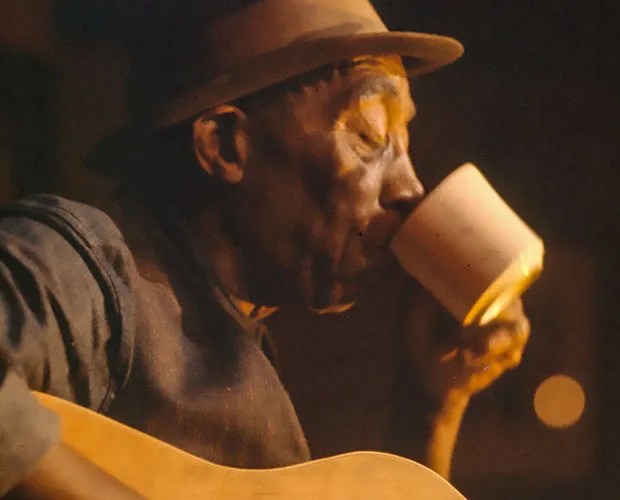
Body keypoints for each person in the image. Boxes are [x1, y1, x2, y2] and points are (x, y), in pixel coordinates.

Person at [0, 0, 531, 496]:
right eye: (369, 137)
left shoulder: (236, 348)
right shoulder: (87, 268)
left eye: (403, 143)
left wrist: (431, 407)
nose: (410, 187)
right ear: (227, 145)